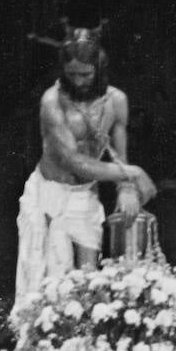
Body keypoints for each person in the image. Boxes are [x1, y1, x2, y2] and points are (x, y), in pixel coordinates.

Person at [16, 23, 155, 301]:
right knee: (48, 284)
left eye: (85, 74)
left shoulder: (116, 101)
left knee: (88, 279)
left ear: (99, 69)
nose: (79, 81)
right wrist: (132, 173)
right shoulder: (52, 102)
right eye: (72, 74)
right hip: (48, 194)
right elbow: (72, 161)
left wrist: (126, 189)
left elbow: (119, 152)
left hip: (85, 194)